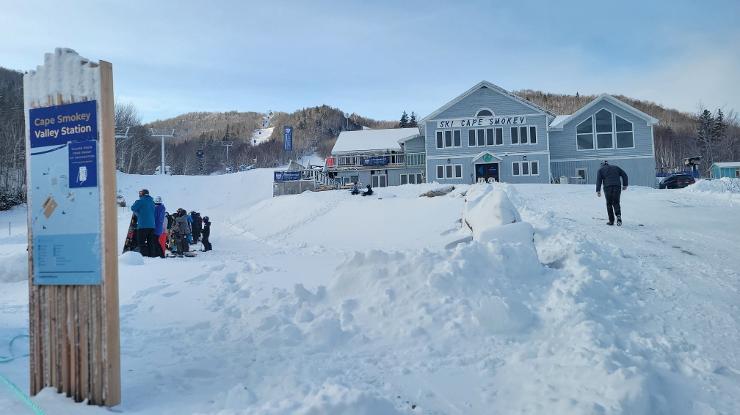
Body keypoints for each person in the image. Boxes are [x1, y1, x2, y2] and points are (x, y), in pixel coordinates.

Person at [596, 160, 628, 226]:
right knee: (616, 202)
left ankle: (611, 221)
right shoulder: (616, 167)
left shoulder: (600, 170)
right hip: (617, 186)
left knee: (609, 203)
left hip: (607, 187)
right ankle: (618, 216)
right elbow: (624, 175)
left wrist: (598, 190)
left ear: (602, 165)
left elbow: (599, 180)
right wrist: (625, 185)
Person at [130, 188, 157, 257]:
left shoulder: (141, 201)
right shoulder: (152, 202)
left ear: (142, 194)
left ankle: (145, 256)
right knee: (151, 242)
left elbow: (133, 208)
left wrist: (137, 212)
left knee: (141, 242)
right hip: (152, 226)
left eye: (140, 193)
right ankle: (152, 256)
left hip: (143, 226)